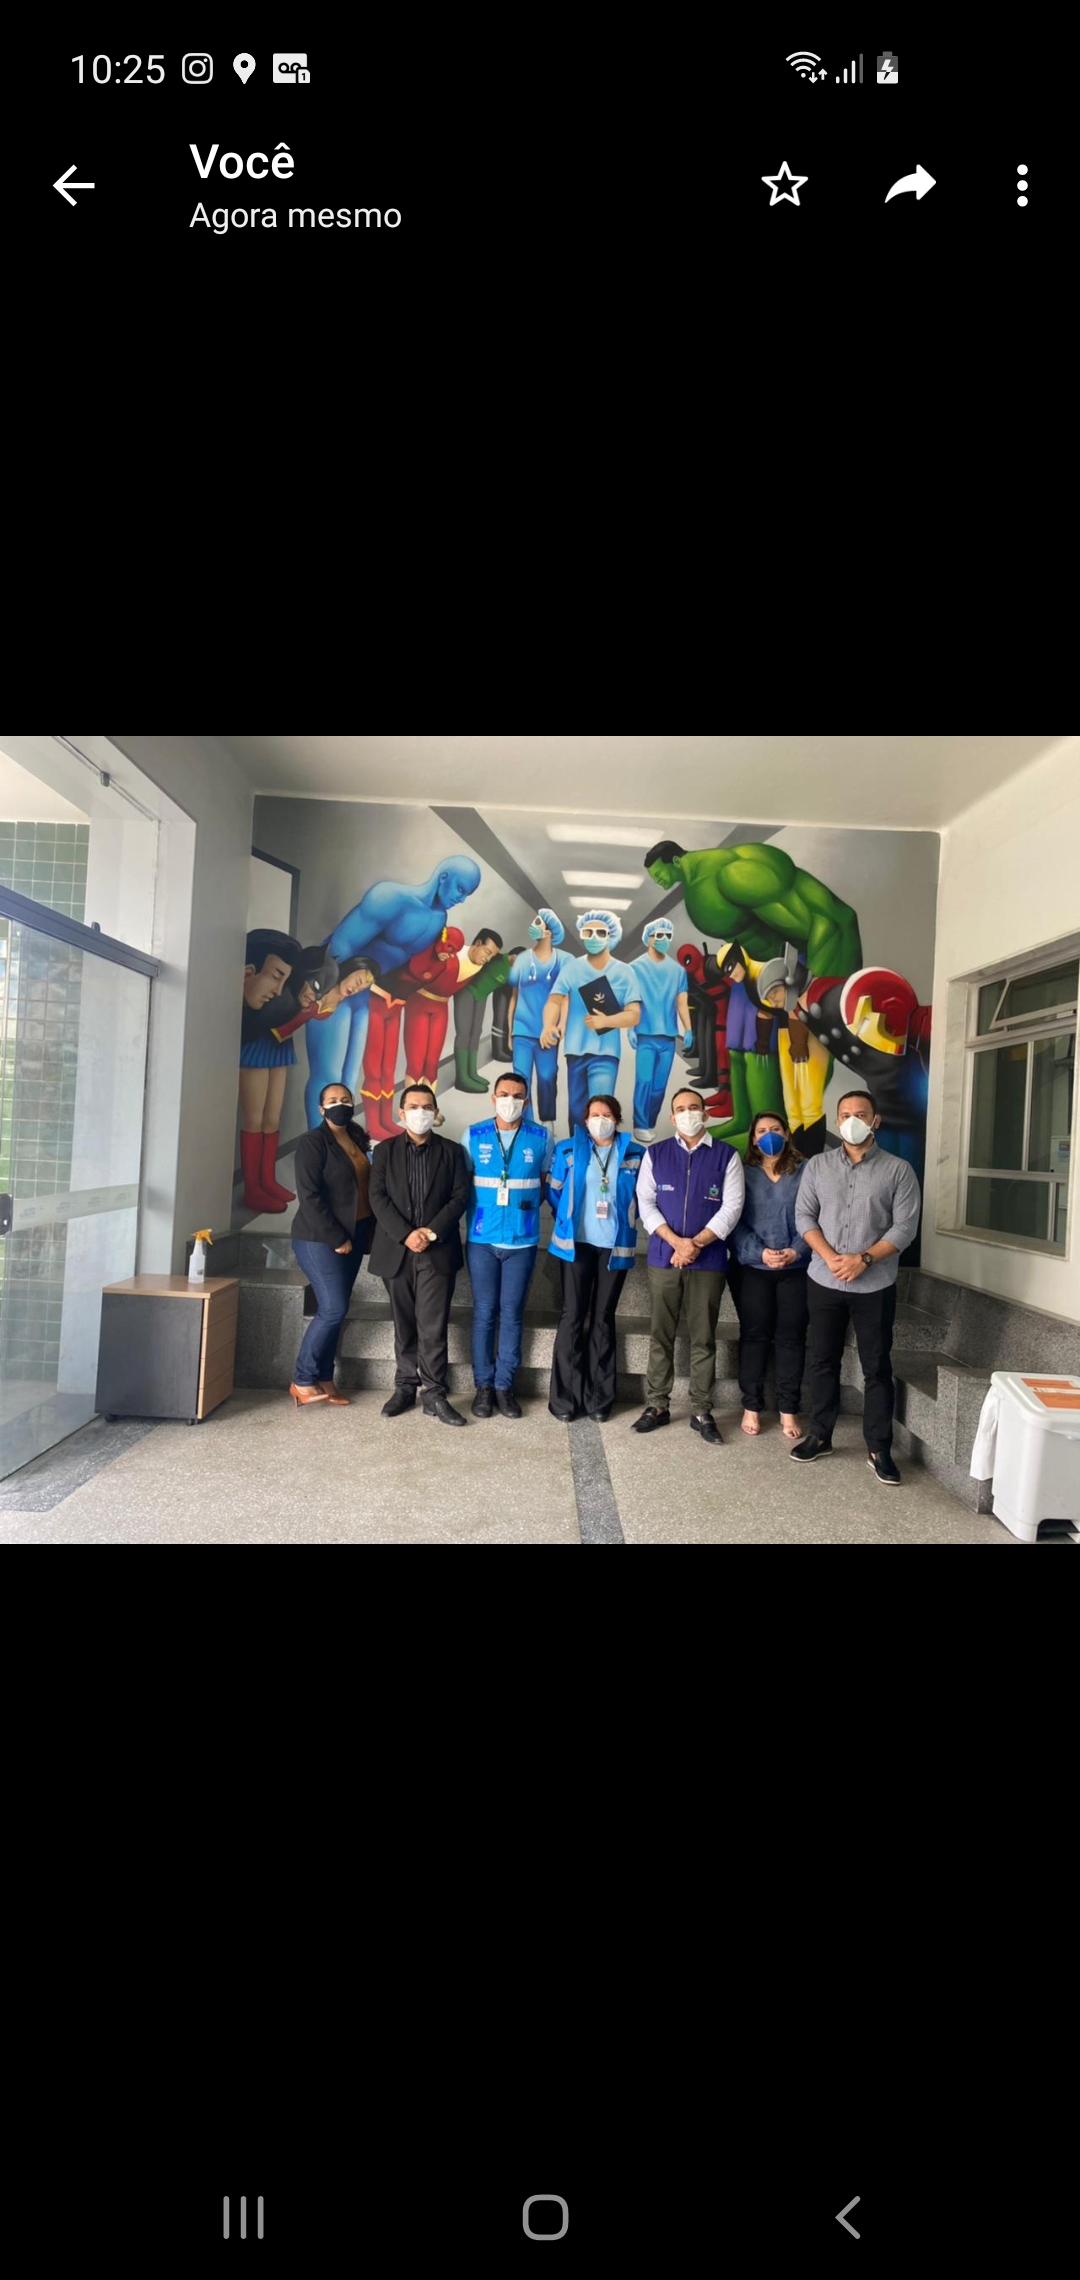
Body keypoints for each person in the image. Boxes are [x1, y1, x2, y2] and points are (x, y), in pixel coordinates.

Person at [791, 1088, 921, 1483]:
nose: (852, 1121)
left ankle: (879, 1448)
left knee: (876, 1367)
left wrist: (863, 1259)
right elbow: (804, 1216)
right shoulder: (817, 1166)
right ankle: (820, 1435)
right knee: (823, 1360)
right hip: (824, 1279)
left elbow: (905, 1227)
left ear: (875, 1120)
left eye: (860, 1114)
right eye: (845, 1114)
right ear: (837, 1120)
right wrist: (831, 1257)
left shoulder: (898, 1170)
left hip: (874, 1284)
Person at [632, 1089, 745, 1443]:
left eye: (694, 1108)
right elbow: (646, 1203)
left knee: (703, 1336)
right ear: (672, 1118)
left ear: (705, 1114)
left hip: (709, 1261)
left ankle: (701, 1409)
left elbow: (732, 1208)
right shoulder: (656, 1154)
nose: (687, 1113)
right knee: (660, 1334)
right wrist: (677, 1243)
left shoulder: (727, 1156)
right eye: (680, 1109)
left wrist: (695, 1244)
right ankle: (657, 1405)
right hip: (664, 1258)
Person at [367, 1083, 472, 1424]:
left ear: (436, 1112)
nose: (420, 1112)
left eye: (427, 1107)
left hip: (436, 1251)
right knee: (404, 1324)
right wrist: (406, 1235)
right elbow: (377, 1197)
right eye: (413, 1107)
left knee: (432, 1325)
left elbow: (459, 1197)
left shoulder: (452, 1152)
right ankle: (404, 1388)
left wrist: (428, 1232)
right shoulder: (384, 1151)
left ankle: (435, 1394)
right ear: (401, 1113)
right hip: (396, 1251)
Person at [546, 1095, 644, 1421]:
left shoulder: (635, 1154)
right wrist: (567, 1218)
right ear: (585, 1120)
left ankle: (598, 1400)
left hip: (614, 1247)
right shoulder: (567, 1149)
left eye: (607, 1114)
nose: (600, 1120)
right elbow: (554, 1192)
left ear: (617, 1119)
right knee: (572, 1317)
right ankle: (565, 1400)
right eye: (594, 1114)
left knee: (602, 1319)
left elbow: (643, 1198)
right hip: (575, 1245)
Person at [463, 1072, 553, 1418]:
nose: (510, 1101)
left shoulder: (541, 1137)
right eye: (504, 1094)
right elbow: (463, 1185)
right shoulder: (473, 1135)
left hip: (522, 1240)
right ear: (493, 1098)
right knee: (484, 1312)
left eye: (517, 1096)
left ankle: (504, 1386)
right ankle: (483, 1387)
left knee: (512, 1313)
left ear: (526, 1102)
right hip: (481, 1239)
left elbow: (543, 1186)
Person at [288, 1082, 374, 1406]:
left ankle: (325, 1377)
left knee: (338, 1309)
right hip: (319, 1238)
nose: (341, 1104)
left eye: (346, 1100)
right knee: (333, 1308)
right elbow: (309, 1196)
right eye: (333, 1100)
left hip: (355, 1235)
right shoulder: (313, 1142)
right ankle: (302, 1379)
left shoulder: (356, 1138)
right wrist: (336, 1237)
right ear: (321, 1108)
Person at [239, 930, 337, 1211]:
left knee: (272, 1117)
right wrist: (305, 1013)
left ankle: (266, 1179)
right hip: (257, 1050)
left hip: (279, 1052)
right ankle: (253, 1188)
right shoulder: (273, 1002)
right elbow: (276, 1027)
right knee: (255, 1118)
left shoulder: (287, 998)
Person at [728, 1110, 810, 1439]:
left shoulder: (807, 1170)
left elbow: (816, 1215)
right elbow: (733, 1219)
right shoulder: (741, 1172)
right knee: (754, 1335)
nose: (768, 1135)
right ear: (753, 1138)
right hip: (753, 1268)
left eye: (775, 1129)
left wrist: (796, 1250)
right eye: (761, 1131)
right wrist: (759, 1252)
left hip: (797, 1268)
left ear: (787, 1134)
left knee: (791, 1338)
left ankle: (789, 1410)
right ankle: (751, 1405)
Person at [540, 909, 642, 1134]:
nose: (594, 936)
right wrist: (548, 1025)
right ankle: (577, 1151)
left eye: (601, 932)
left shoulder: (624, 972)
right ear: (582, 934)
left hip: (606, 1052)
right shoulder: (572, 968)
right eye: (588, 932)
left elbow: (634, 1014)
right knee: (576, 1111)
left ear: (610, 936)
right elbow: (554, 1000)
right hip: (575, 1051)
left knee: (601, 1109)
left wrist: (608, 1020)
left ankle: (602, 1152)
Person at [627, 917, 694, 1141]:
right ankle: (640, 1124)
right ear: (648, 939)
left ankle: (650, 1121)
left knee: (659, 1087)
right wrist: (630, 1028)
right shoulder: (635, 968)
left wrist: (689, 1028)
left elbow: (682, 1003)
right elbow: (631, 1000)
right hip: (645, 1034)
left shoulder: (677, 971)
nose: (663, 939)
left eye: (667, 935)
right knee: (644, 1081)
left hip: (668, 1037)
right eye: (659, 935)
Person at [508, 909, 567, 1127]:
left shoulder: (564, 960)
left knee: (547, 1076)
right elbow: (514, 997)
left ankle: (547, 1119)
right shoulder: (522, 959)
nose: (533, 925)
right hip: (522, 1029)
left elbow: (566, 997)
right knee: (521, 1078)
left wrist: (562, 1025)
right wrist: (509, 1031)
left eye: (538, 922)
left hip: (548, 1032)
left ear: (549, 932)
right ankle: (527, 1122)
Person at [451, 929, 509, 1091]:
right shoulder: (464, 956)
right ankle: (462, 1078)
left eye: (492, 955)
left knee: (476, 1032)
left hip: (481, 995)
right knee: (464, 1033)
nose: (488, 959)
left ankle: (471, 1072)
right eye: (488, 952)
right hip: (467, 991)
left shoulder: (499, 963)